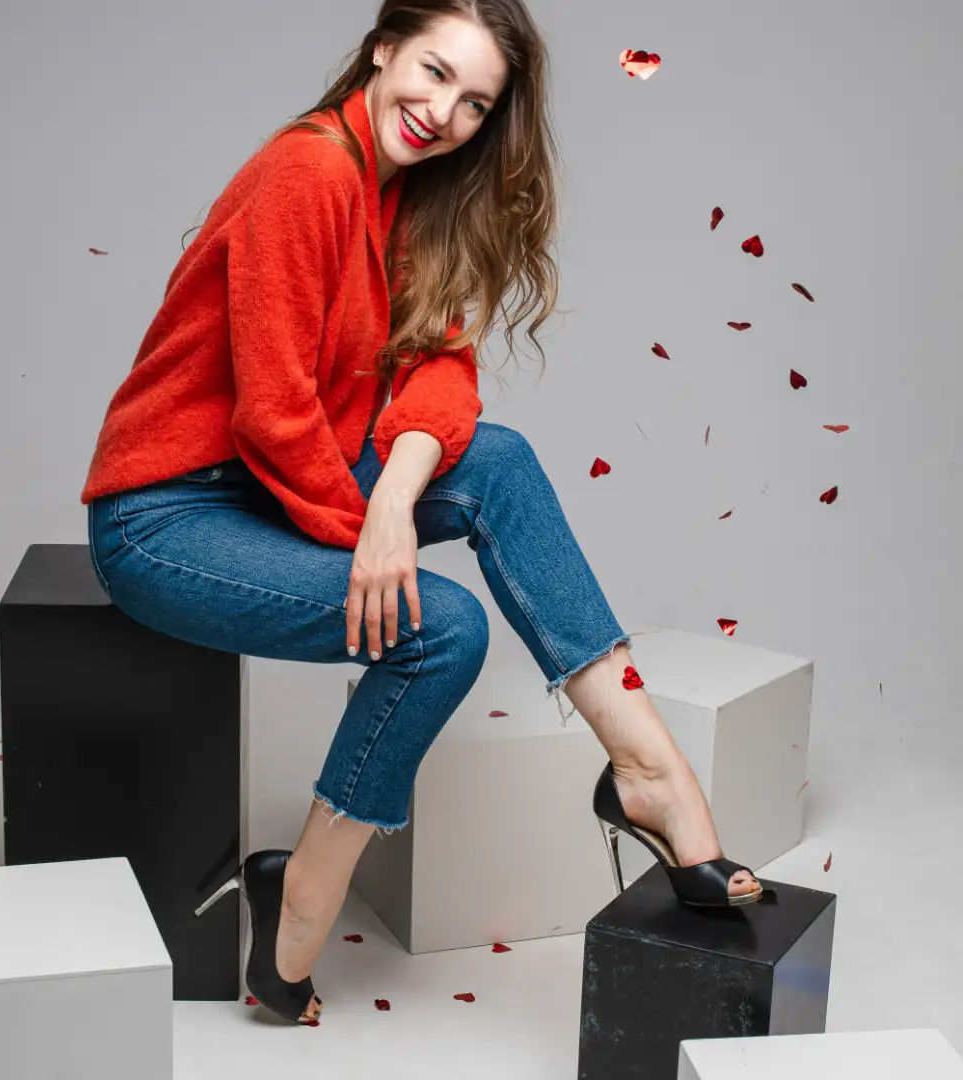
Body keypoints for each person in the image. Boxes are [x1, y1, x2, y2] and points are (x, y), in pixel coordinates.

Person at [82, 0, 763, 1028]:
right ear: (382, 47)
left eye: (475, 101)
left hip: (278, 481)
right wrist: (370, 532)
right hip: (168, 516)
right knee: (441, 630)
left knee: (500, 462)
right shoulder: (307, 170)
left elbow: (441, 375)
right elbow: (271, 413)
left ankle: (646, 769)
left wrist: (395, 497)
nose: (442, 112)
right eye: (434, 72)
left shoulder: (413, 197)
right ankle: (302, 894)